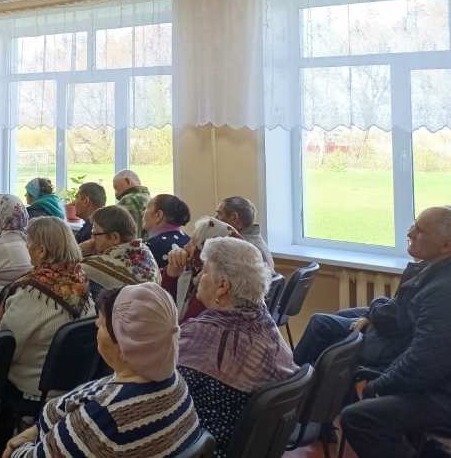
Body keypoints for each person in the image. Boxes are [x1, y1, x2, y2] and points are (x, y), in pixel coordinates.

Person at [292, 207, 451, 458]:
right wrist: (374, 312)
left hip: (435, 387)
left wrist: (378, 386)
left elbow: (424, 359)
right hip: (417, 362)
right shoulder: (431, 269)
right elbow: (398, 310)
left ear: (446, 245)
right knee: (334, 326)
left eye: (420, 230)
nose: (410, 232)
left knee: (357, 417)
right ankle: (301, 403)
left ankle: (292, 399)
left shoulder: (442, 290)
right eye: (414, 224)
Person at [3, 283, 203, 458]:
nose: (97, 323)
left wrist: (17, 446)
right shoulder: (175, 382)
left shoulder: (105, 418)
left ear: (124, 347)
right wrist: (37, 429)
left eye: (103, 323)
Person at [177, 237, 297, 458]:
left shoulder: (201, 335)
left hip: (207, 447)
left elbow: (164, 389)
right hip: (251, 446)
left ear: (223, 286)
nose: (198, 277)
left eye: (204, 271)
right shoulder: (263, 320)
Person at [0, 216, 94, 411]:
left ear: (41, 251)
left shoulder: (32, 293)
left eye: (28, 243)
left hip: (33, 391)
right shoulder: (80, 281)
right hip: (73, 386)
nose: (26, 248)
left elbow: (4, 347)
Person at [163, 217, 238, 322]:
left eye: (193, 242)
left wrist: (171, 278)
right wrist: (171, 274)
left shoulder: (212, 284)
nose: (185, 246)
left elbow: (176, 323)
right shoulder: (193, 275)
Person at [81, 205, 160, 299]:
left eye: (95, 233)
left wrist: (80, 249)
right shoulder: (144, 251)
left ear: (115, 237)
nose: (92, 239)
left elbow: (71, 267)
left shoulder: (102, 264)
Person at [215, 196, 274, 270]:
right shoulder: (255, 240)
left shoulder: (240, 248)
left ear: (234, 217)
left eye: (219, 214)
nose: (215, 218)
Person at [143, 194, 191, 270]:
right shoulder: (188, 240)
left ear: (158, 215)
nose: (143, 212)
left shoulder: (150, 247)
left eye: (147, 208)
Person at [112, 170, 150, 237]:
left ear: (127, 181)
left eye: (116, 188)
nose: (116, 194)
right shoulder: (150, 199)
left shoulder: (127, 200)